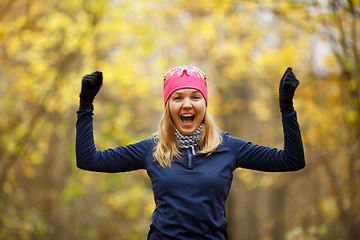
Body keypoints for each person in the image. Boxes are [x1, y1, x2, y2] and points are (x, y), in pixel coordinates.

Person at [76, 65, 305, 239]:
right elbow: (89, 160)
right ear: (168, 107)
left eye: (195, 97)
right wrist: (86, 105)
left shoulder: (228, 147)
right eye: (177, 98)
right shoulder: (152, 149)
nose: (187, 105)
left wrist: (287, 108)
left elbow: (291, 160)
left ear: (204, 104)